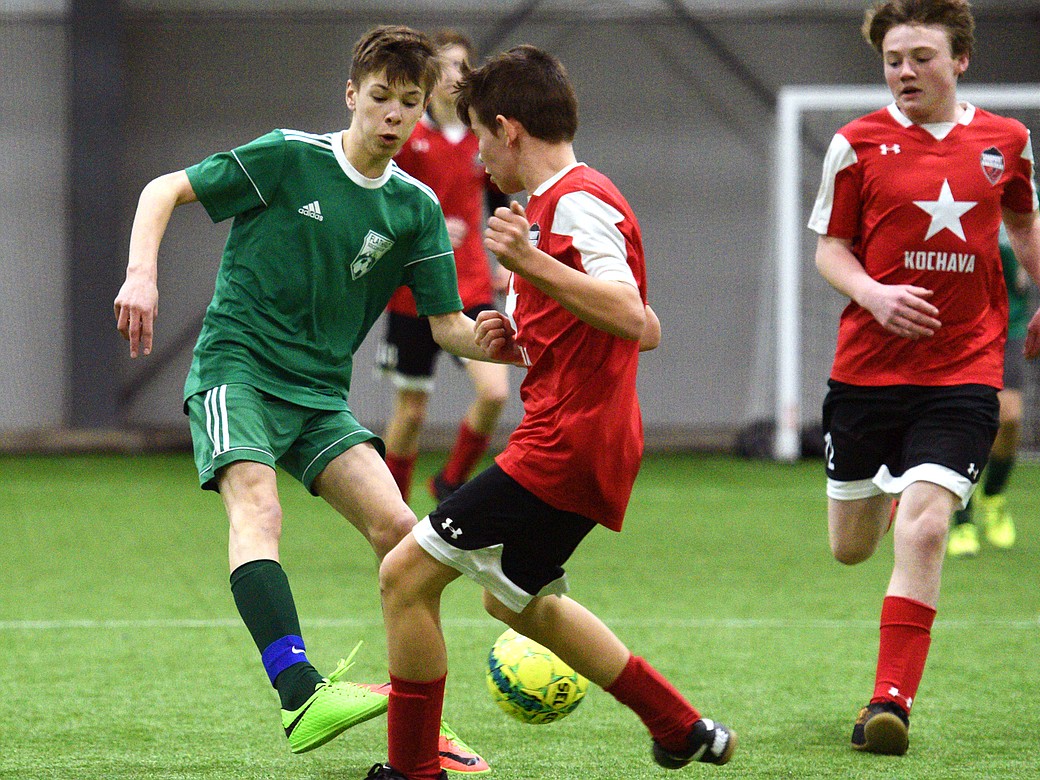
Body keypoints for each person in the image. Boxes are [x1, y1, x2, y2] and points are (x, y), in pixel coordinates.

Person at [113, 25, 490, 775]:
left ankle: (422, 733)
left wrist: (516, 343)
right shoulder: (289, 157)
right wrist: (140, 275)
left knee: (407, 541)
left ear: (422, 111)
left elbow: (450, 326)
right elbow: (164, 190)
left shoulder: (412, 208)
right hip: (238, 369)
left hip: (319, 396)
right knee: (259, 509)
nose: (391, 114)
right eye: (379, 97)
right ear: (352, 94)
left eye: (407, 104)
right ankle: (300, 692)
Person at [362, 46, 736, 780]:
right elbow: (640, 328)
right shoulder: (559, 205)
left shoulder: (574, 201)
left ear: (508, 130)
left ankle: (413, 770)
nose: (475, 157)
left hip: (565, 445)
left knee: (405, 576)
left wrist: (531, 265)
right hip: (587, 442)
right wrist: (516, 340)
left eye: (477, 137)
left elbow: (631, 315)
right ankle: (681, 726)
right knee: (519, 603)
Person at [807, 0, 1040, 756]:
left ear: (959, 60)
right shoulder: (855, 144)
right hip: (865, 373)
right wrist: (875, 294)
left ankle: (889, 703)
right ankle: (897, 487)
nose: (904, 72)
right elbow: (832, 249)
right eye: (893, 59)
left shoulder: (1006, 142)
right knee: (851, 548)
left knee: (925, 528)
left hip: (963, 370)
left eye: (921, 56)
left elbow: (1024, 223)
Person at [380, 30, 511, 504]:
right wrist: (426, 231)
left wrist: (511, 262)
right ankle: (394, 514)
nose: (455, 74)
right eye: (446, 66)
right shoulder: (407, 138)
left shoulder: (482, 140)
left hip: (471, 285)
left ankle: (450, 482)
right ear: (429, 78)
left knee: (495, 391)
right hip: (412, 290)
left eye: (462, 65)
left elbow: (501, 204)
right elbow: (385, 207)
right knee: (412, 411)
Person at [947, 188, 1040, 556]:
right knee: (961, 419)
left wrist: (1032, 267)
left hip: (1009, 321)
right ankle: (961, 520)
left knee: (1010, 416)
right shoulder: (952, 182)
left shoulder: (1015, 180)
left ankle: (994, 498)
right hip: (957, 321)